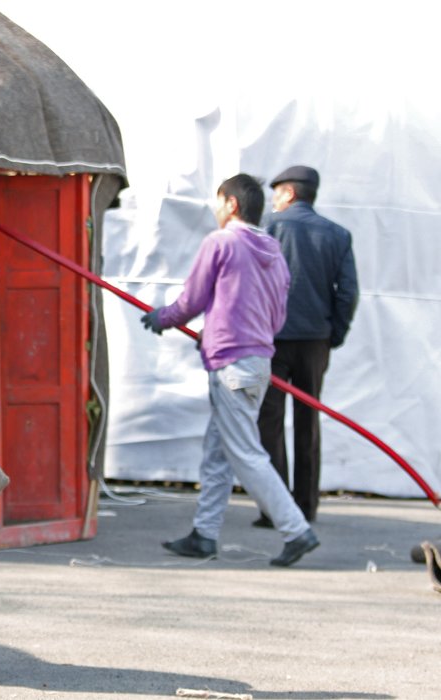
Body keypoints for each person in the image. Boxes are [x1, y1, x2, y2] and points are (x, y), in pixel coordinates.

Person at [140, 173, 319, 567]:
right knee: (218, 453)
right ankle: (204, 535)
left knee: (244, 453)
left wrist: (163, 318)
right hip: (255, 361)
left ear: (232, 204)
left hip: (231, 366)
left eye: (219, 201)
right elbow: (273, 315)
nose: (216, 208)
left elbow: (192, 298)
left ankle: (295, 529)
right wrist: (216, 331)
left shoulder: (220, 242)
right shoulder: (272, 250)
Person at [253, 166, 359, 528]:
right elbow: (347, 293)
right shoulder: (337, 235)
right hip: (315, 340)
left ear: (289, 193)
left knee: (269, 421)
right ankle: (307, 506)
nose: (273, 199)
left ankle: (275, 507)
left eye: (276, 191)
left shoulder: (268, 228)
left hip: (272, 340)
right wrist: (334, 335)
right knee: (307, 422)